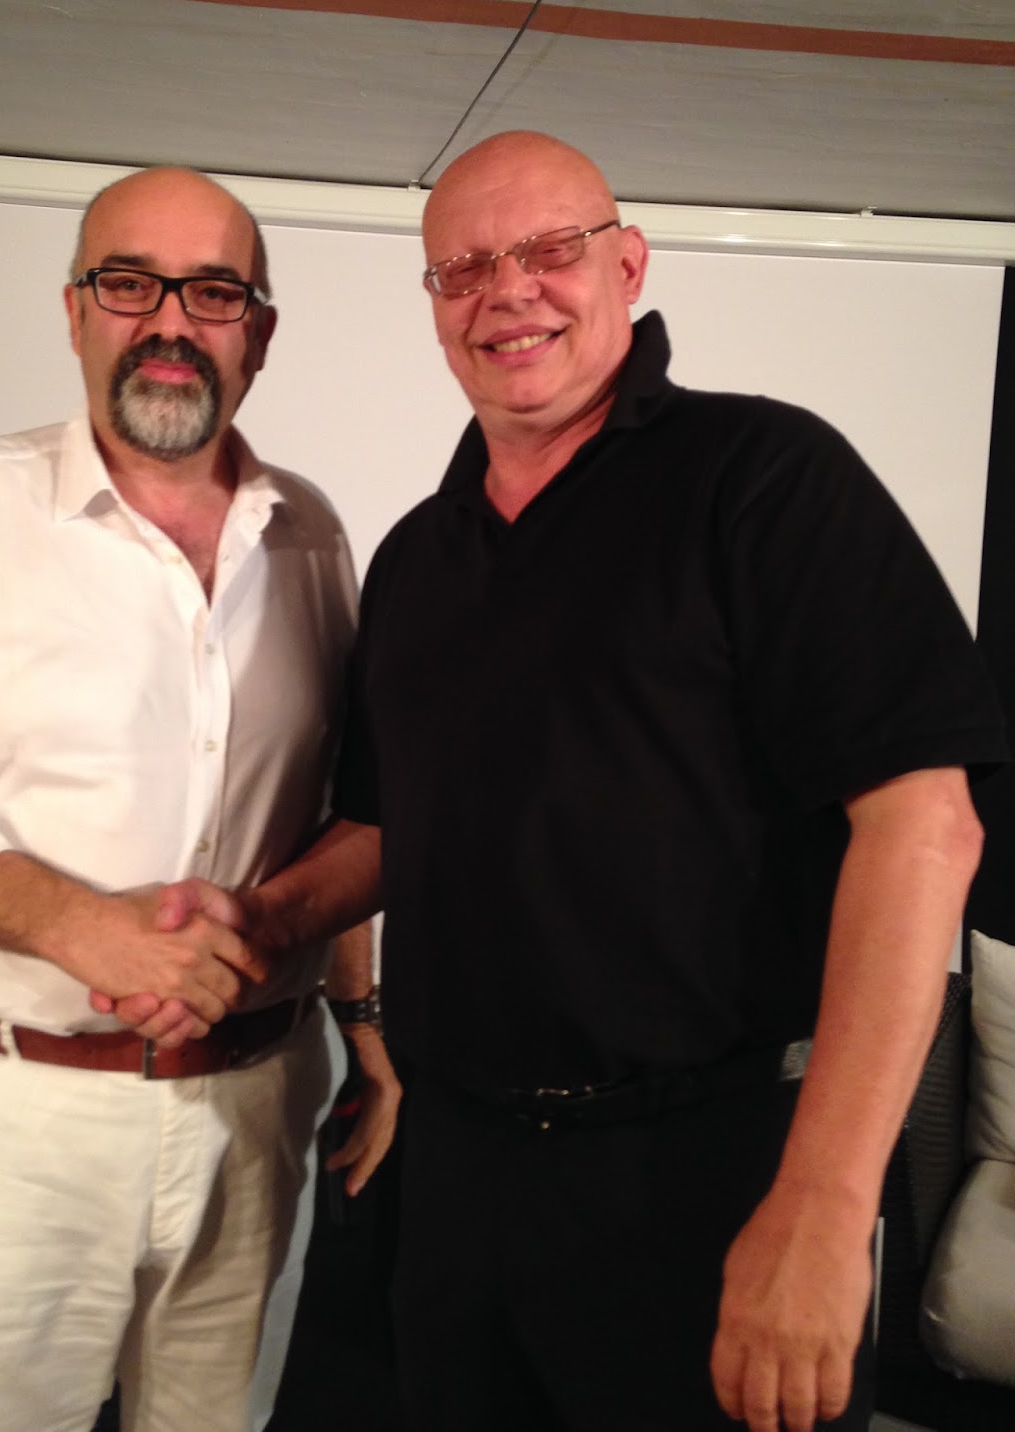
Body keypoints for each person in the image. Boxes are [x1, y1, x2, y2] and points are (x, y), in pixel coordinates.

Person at [124, 130, 1008, 1432]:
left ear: (628, 266)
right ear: (435, 304)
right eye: (465, 268)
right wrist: (255, 921)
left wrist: (823, 1206)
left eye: (549, 250)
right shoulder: (421, 557)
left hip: (711, 1175)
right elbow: (386, 827)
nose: (509, 291)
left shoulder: (763, 477)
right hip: (457, 1179)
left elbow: (925, 828)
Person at [0, 165, 399, 1432]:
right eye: (131, 283)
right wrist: (84, 927)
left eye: (215, 292)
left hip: (253, 1102)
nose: (171, 322)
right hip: (1, 1121)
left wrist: (362, 1020)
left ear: (259, 332)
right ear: (76, 311)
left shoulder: (310, 534)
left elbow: (345, 798)